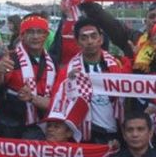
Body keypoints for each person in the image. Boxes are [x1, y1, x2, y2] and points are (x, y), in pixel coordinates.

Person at [50, 16, 129, 144]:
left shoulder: (116, 65)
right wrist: (69, 85)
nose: (90, 41)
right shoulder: (68, 71)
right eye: (84, 38)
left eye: (93, 36)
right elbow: (58, 103)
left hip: (114, 133)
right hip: (85, 135)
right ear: (78, 42)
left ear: (101, 39)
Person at [0, 13, 56, 139]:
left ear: (46, 35)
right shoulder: (11, 58)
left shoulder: (53, 61)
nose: (35, 36)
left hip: (46, 124)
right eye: (30, 32)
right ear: (22, 35)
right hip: (15, 126)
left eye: (40, 32)